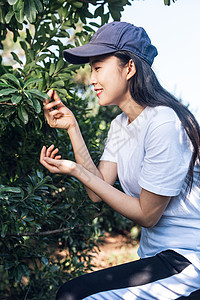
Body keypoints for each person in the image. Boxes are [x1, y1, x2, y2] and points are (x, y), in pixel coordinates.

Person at [40, 21, 200, 299]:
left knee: (73, 295)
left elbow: (147, 215)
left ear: (129, 68)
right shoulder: (120, 124)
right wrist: (72, 128)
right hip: (154, 259)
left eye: (98, 67)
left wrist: (77, 170)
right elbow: (97, 190)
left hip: (187, 262)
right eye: (90, 69)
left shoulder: (164, 121)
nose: (91, 79)